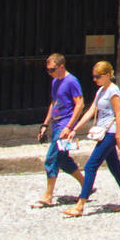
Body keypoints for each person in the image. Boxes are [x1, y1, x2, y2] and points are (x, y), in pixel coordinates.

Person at [62, 61, 120, 216]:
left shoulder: (113, 91)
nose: (95, 80)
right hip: (102, 132)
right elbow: (90, 112)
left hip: (109, 133)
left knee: (90, 167)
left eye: (98, 77)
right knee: (114, 167)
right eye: (93, 77)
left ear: (108, 75)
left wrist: (118, 137)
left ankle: (80, 205)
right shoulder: (101, 90)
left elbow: (119, 114)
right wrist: (74, 129)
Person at [33, 53, 87, 209]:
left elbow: (80, 104)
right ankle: (86, 185)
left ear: (61, 67)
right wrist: (45, 125)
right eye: (48, 70)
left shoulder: (72, 81)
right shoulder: (55, 82)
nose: (49, 73)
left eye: (52, 70)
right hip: (56, 124)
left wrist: (69, 127)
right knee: (62, 159)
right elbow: (54, 103)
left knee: (51, 158)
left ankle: (48, 196)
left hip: (64, 125)